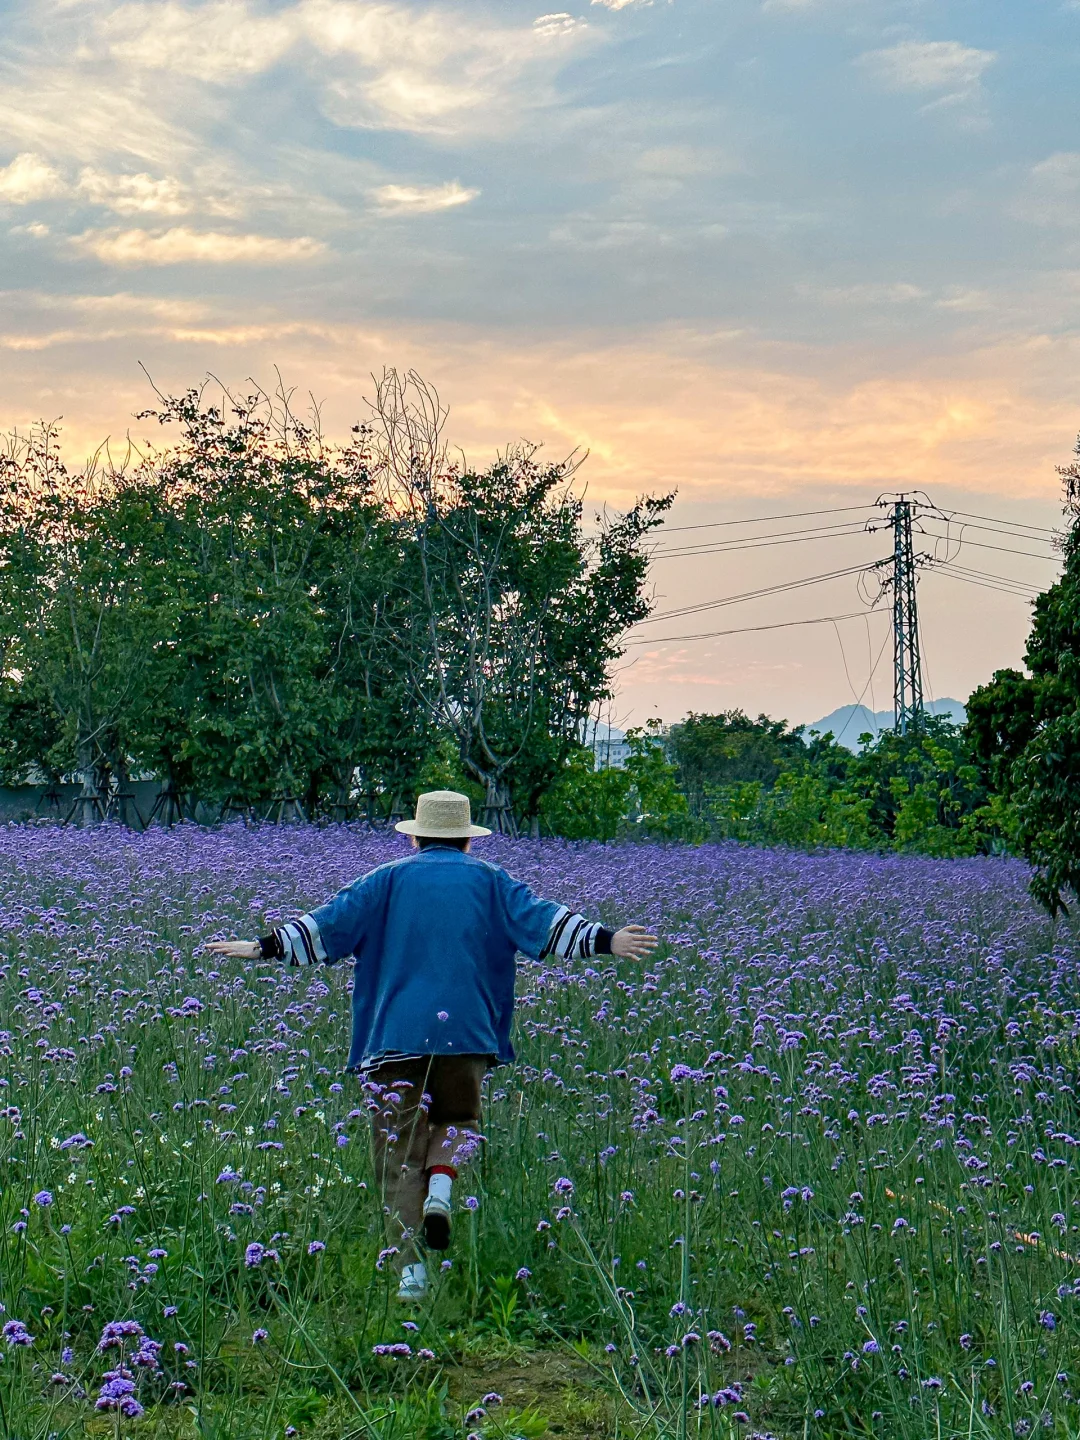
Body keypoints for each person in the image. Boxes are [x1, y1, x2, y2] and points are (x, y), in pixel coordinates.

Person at [208, 789, 658, 1301]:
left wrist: (262, 947)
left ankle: (411, 1277)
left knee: (398, 1152)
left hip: (394, 1037)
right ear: (467, 841)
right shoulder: (492, 882)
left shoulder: (385, 881)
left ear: (416, 836)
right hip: (469, 1035)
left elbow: (326, 926)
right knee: (459, 1122)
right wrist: (608, 939)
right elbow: (546, 922)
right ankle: (442, 1187)